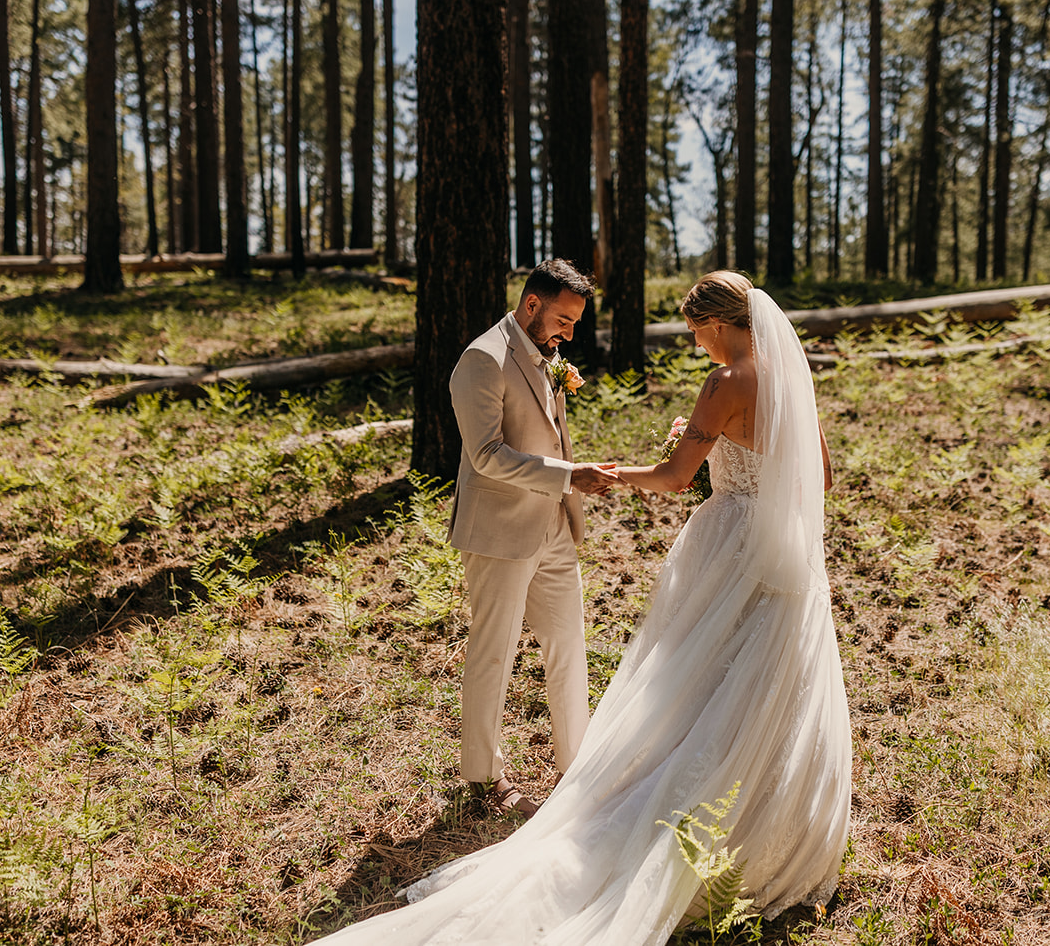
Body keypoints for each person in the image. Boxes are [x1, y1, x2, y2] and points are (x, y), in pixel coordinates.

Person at [308, 271, 851, 945]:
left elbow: (677, 479)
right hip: (785, 555)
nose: (696, 345)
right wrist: (721, 441)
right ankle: (772, 828)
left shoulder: (723, 381)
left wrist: (615, 473)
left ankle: (665, 813)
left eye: (694, 333)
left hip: (729, 548)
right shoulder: (791, 378)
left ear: (714, 324)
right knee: (764, 686)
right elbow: (816, 475)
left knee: (700, 681)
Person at [447, 259, 621, 817]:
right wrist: (569, 475)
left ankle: (576, 764)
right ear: (531, 304)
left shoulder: (545, 355)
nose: (569, 334)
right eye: (564, 320)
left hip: (553, 526)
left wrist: (570, 484)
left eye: (574, 324)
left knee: (569, 642)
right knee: (493, 651)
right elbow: (487, 455)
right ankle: (482, 775)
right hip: (499, 529)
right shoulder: (482, 359)